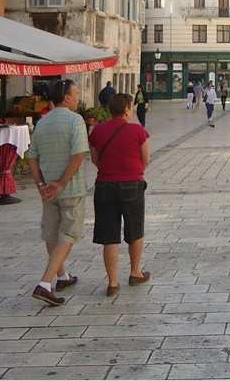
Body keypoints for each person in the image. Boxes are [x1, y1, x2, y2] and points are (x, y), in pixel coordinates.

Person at [27, 79, 93, 307]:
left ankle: (62, 275)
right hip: (70, 188)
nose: (78, 98)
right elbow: (79, 155)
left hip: (48, 190)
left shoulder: (42, 122)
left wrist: (41, 185)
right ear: (66, 97)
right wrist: (62, 182)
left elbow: (32, 157)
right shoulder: (76, 120)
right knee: (68, 234)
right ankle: (45, 283)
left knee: (51, 232)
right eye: (76, 93)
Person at [88, 92, 151, 297]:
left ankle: (113, 282)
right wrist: (133, 171)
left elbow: (95, 159)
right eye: (131, 108)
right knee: (135, 230)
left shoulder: (98, 131)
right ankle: (135, 272)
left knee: (109, 235)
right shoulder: (137, 131)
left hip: (105, 185)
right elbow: (146, 158)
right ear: (126, 110)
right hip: (132, 184)